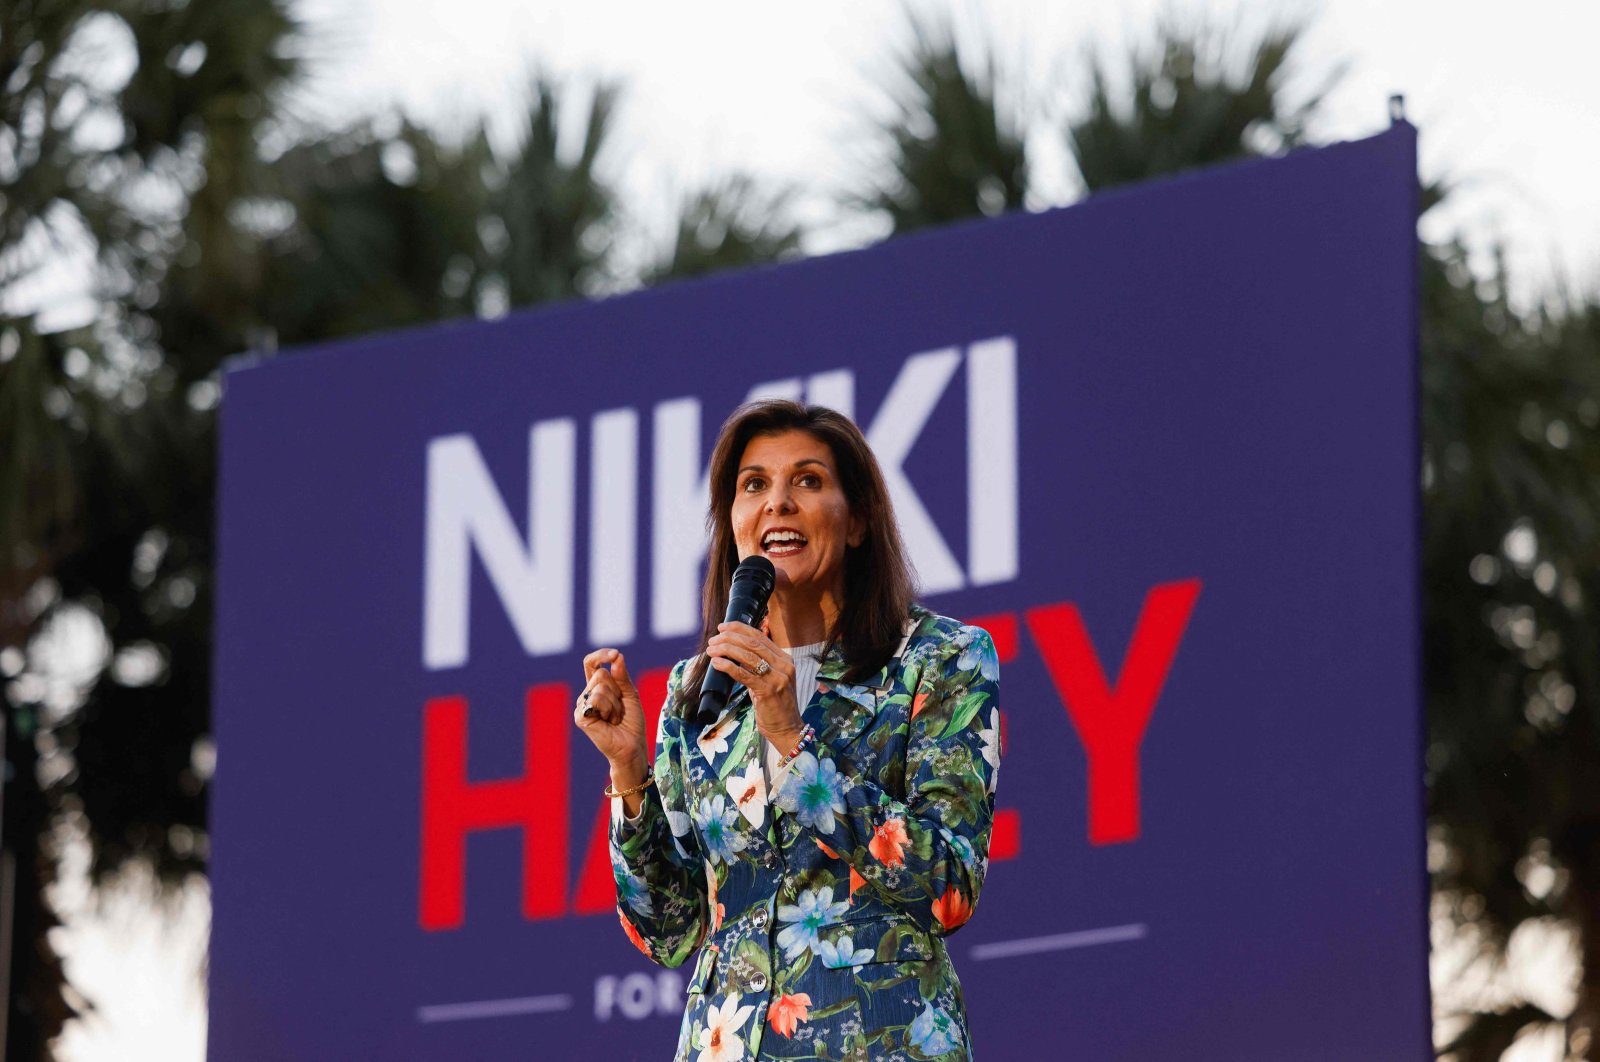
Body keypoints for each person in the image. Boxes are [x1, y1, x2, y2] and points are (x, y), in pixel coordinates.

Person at [575, 399, 1001, 1061]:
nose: (778, 502)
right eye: (754, 485)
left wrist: (791, 737)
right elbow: (670, 933)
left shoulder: (939, 661)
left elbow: (947, 887)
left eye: (807, 480)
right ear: (733, 524)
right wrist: (628, 772)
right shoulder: (696, 690)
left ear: (857, 519)